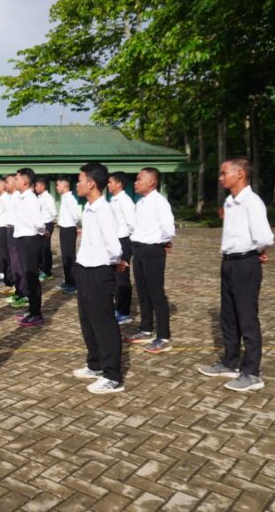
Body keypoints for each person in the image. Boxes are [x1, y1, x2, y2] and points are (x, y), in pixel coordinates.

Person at [198, 157, 274, 392]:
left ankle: (252, 372)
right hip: (229, 262)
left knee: (247, 318)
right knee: (228, 316)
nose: (221, 178)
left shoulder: (252, 202)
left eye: (224, 173)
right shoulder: (231, 202)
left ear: (239, 174)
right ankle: (230, 362)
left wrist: (256, 252)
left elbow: (264, 237)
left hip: (245, 264)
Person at [71, 162, 124, 394]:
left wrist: (115, 262)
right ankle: (95, 364)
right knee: (87, 320)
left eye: (80, 179)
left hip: (100, 271)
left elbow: (113, 245)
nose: (78, 184)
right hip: (85, 269)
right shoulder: (89, 208)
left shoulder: (104, 210)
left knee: (104, 323)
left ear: (91, 183)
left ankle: (112, 375)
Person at [123, 168, 175, 354]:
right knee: (143, 291)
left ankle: (163, 336)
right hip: (138, 249)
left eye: (139, 179)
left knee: (156, 293)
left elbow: (168, 229)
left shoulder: (159, 202)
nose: (135, 182)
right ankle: (146, 329)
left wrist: (159, 243)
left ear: (152, 182)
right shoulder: (142, 202)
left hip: (152, 250)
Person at [13, 168, 47, 327]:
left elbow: (39, 223)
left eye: (17, 178)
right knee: (27, 276)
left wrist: (39, 234)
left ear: (25, 181)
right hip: (22, 239)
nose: (15, 181)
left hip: (30, 240)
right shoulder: (21, 198)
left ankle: (36, 313)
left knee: (32, 277)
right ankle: (32, 309)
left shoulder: (31, 199)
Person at [108, 172, 136, 324]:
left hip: (124, 240)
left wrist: (128, 242)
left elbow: (132, 223)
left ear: (119, 184)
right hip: (115, 240)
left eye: (111, 182)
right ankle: (118, 307)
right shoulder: (114, 200)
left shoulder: (125, 201)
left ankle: (124, 312)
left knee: (122, 277)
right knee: (115, 278)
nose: (108, 184)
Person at [56, 176, 80, 294]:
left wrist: (74, 226)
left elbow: (76, 215)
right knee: (65, 257)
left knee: (70, 256)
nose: (56, 187)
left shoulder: (70, 199)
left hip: (69, 229)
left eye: (58, 185)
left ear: (65, 185)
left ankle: (73, 283)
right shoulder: (64, 198)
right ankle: (68, 281)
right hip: (64, 229)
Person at [35, 178, 57, 282]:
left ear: (43, 186)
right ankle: (41, 268)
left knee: (45, 248)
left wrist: (49, 223)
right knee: (40, 248)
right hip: (40, 225)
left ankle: (47, 271)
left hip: (47, 224)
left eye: (37, 186)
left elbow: (53, 212)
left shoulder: (48, 198)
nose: (36, 188)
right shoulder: (38, 197)